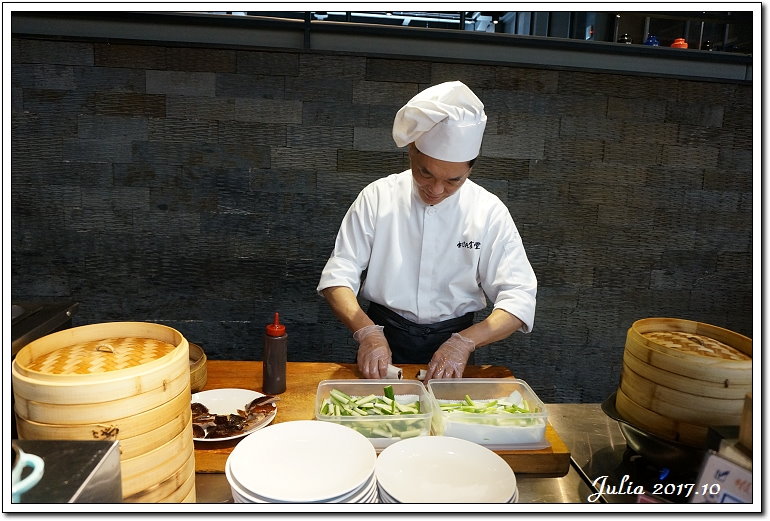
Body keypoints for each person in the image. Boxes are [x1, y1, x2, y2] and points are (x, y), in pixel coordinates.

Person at [317, 80, 537, 380]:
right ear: (412, 151)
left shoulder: (488, 211)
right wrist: (367, 332)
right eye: (425, 173)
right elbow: (337, 276)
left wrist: (464, 343)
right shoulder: (378, 197)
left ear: (470, 170)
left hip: (455, 343)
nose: (436, 190)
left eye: (453, 181)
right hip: (382, 336)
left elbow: (519, 297)